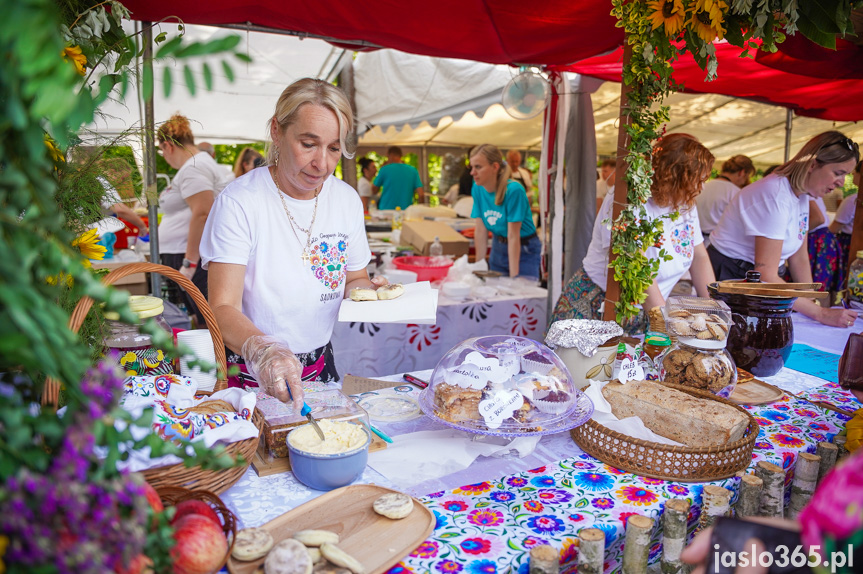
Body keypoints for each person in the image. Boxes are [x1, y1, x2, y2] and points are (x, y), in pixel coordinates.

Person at [201, 78, 386, 408]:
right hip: (251, 366)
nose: (322, 164)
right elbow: (221, 307)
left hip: (320, 365)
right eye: (308, 144)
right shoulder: (240, 202)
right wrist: (266, 350)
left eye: (332, 148)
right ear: (277, 131)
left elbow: (354, 278)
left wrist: (370, 291)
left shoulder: (345, 200)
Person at [553, 133, 717, 331]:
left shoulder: (684, 202)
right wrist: (664, 323)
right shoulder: (626, 198)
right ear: (674, 177)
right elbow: (639, 270)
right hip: (600, 306)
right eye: (697, 181)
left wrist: (713, 310)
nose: (702, 187)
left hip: (650, 310)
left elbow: (699, 256)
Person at [708, 130, 859, 328]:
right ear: (812, 165)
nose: (842, 182)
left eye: (846, 175)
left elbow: (799, 256)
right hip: (732, 277)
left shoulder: (802, 195)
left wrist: (812, 301)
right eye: (838, 173)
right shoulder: (775, 194)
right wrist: (820, 313)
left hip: (760, 281)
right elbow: (765, 274)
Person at [156, 113, 228, 324]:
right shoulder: (194, 166)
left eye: (162, 151)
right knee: (201, 317)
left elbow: (202, 213)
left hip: (190, 256)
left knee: (208, 319)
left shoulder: (193, 168)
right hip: (186, 253)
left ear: (168, 146)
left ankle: (213, 357)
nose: (164, 156)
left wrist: (189, 262)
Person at [470, 144, 541, 279]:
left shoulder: (514, 190)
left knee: (520, 295)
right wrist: (479, 267)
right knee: (495, 292)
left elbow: (513, 235)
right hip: (498, 246)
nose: (472, 172)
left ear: (495, 167)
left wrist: (514, 277)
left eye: (478, 167)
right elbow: (480, 230)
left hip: (524, 248)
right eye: (472, 167)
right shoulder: (477, 188)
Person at [696, 155, 755, 239]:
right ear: (742, 173)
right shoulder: (736, 193)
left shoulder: (702, 187)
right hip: (718, 242)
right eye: (747, 176)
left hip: (697, 241)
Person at [829, 161, 861, 290]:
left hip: (849, 244)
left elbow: (835, 228)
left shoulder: (853, 199)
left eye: (855, 172)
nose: (852, 174)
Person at [807, 194, 842, 292]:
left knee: (818, 287)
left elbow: (818, 219)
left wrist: (795, 235)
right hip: (823, 238)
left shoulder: (809, 194)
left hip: (816, 240)